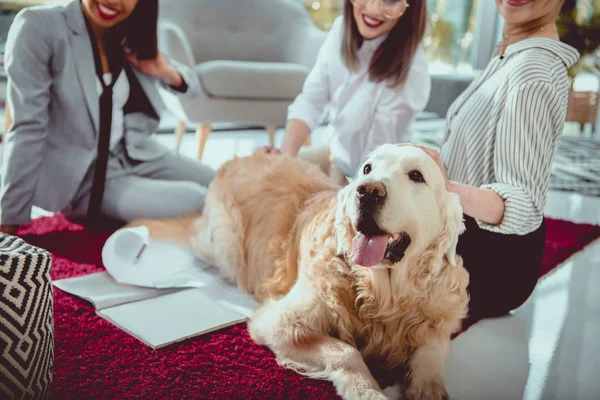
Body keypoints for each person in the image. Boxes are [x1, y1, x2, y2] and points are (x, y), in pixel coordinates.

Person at [399, 0, 579, 321]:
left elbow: (522, 204)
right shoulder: (511, 56)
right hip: (469, 243)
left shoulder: (532, 72)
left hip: (488, 266)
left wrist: (445, 185)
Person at [0, 0, 215, 235]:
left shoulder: (126, 30)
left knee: (221, 182)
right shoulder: (40, 26)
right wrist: (8, 217)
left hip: (134, 152)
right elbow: (27, 127)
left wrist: (164, 71)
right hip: (85, 178)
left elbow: (194, 87)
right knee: (200, 200)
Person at [264, 0, 431, 185]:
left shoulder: (413, 70)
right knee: (266, 176)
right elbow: (312, 100)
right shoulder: (341, 30)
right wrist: (285, 158)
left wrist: (338, 197)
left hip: (376, 179)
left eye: (390, 0)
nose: (374, 9)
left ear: (410, 7)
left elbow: (377, 160)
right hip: (337, 157)